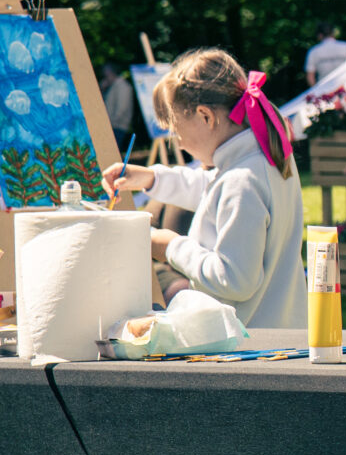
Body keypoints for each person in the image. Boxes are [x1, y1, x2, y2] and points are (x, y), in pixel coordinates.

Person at [99, 49, 304, 327]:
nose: (179, 142)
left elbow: (234, 281)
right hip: (277, 334)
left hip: (252, 348)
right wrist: (151, 178)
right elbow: (211, 191)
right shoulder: (258, 159)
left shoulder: (242, 180)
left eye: (177, 130)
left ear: (205, 116)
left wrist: (170, 245)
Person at [99, 63, 138, 146]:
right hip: (113, 126)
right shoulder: (113, 87)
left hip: (117, 126)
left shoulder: (123, 87)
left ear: (111, 72)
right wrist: (102, 89)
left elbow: (122, 108)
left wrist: (112, 122)